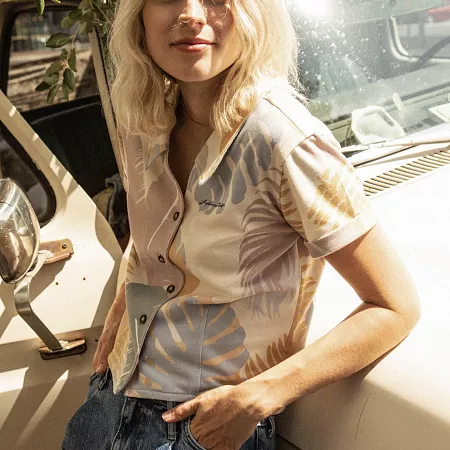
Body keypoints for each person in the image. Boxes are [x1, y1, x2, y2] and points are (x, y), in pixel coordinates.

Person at [62, 0, 421, 449]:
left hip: (201, 425)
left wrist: (262, 396)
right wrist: (128, 294)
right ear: (139, 15)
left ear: (253, 12)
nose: (191, 14)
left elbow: (394, 306)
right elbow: (156, 234)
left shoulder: (284, 138)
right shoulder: (143, 118)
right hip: (107, 402)